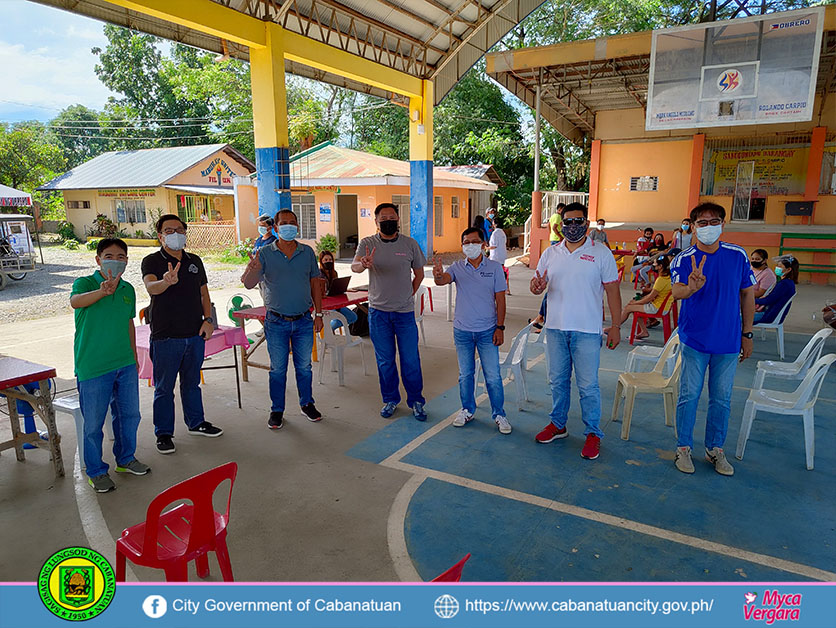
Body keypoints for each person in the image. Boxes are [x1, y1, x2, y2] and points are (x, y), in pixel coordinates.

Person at [531, 202, 622, 461]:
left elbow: (613, 291)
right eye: (567, 222)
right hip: (556, 329)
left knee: (588, 386)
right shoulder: (551, 253)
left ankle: (593, 433)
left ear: (587, 224)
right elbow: (536, 283)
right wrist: (536, 287)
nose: (572, 227)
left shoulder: (601, 253)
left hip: (587, 331)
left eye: (577, 221)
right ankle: (558, 424)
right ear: (561, 226)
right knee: (557, 381)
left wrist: (616, 326)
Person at [670, 202, 755, 477]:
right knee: (689, 395)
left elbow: (748, 295)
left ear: (723, 224)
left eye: (714, 221)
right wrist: (691, 287)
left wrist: (747, 333)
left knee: (722, 399)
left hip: (728, 343)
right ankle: (683, 447)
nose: (708, 227)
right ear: (692, 227)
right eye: (702, 223)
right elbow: (676, 292)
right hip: (695, 340)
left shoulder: (738, 256)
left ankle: (715, 449)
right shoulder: (683, 259)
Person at [71, 238, 150, 492]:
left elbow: (129, 323)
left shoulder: (127, 289)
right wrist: (102, 291)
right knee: (93, 424)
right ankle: (96, 470)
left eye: (120, 257)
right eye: (109, 256)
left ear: (126, 261)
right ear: (98, 259)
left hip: (124, 363)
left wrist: (134, 356)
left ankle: (126, 459)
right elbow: (76, 301)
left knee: (129, 415)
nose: (115, 261)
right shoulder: (85, 283)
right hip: (93, 367)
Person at [142, 214, 223, 455]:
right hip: (166, 336)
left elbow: (204, 294)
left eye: (179, 229)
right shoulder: (152, 261)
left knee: (191, 383)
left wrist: (208, 320)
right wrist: (166, 282)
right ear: (160, 235)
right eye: (169, 230)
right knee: (164, 388)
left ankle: (196, 423)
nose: (175, 233)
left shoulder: (195, 260)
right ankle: (164, 433)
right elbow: (151, 287)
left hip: (194, 334)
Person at [242, 209, 323, 429]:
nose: (289, 226)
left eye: (292, 223)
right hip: (276, 321)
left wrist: (319, 313)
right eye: (284, 223)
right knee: (278, 368)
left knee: (304, 367)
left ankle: (307, 404)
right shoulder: (265, 253)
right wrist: (252, 268)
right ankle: (277, 409)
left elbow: (316, 282)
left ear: (297, 227)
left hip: (304, 320)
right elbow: (248, 283)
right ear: (275, 228)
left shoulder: (307, 253)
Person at [352, 203, 427, 421]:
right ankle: (390, 399)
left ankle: (416, 401)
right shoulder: (367, 243)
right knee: (385, 360)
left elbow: (419, 274)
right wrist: (363, 264)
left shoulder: (410, 244)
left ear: (398, 219)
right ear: (376, 222)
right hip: (378, 314)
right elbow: (355, 266)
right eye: (383, 217)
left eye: (391, 217)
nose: (388, 220)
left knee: (410, 359)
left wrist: (408, 296)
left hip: (404, 314)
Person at [433, 228, 510, 434]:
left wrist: (500, 327)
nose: (470, 245)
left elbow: (500, 299)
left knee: (492, 375)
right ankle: (467, 409)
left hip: (487, 330)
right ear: (462, 246)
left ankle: (499, 414)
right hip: (462, 331)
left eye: (475, 241)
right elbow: (443, 280)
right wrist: (438, 276)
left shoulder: (494, 268)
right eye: (466, 242)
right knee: (465, 374)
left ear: (484, 244)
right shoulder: (457, 267)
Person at [618, 256, 672, 340]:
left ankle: (615, 328)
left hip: (657, 307)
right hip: (663, 306)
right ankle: (644, 331)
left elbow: (649, 298)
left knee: (628, 308)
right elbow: (654, 294)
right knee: (634, 304)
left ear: (660, 266)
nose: (653, 266)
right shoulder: (668, 277)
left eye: (655, 264)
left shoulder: (661, 279)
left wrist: (635, 303)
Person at [319, 250, 358, 330]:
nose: (328, 262)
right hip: (324, 304)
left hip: (334, 301)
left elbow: (334, 288)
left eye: (330, 260)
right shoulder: (318, 274)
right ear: (321, 261)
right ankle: (327, 331)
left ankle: (329, 328)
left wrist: (345, 289)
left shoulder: (334, 273)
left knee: (353, 317)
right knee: (337, 317)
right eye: (326, 260)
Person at [754, 257, 798, 325]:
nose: (777, 268)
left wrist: (751, 300)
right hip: (770, 314)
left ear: (788, 269)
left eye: (780, 266)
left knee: (737, 318)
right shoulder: (787, 283)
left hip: (769, 316)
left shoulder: (784, 284)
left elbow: (768, 300)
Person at [750, 248, 777, 315]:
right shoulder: (751, 268)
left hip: (754, 301)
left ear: (764, 260)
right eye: (752, 259)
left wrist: (743, 291)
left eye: (757, 259)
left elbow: (760, 293)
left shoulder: (768, 275)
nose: (754, 261)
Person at [487, 214, 509, 294]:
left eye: (493, 223)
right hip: (501, 255)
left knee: (496, 272)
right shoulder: (502, 233)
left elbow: (493, 246)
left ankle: (500, 287)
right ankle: (504, 287)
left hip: (496, 256)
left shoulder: (495, 233)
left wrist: (486, 248)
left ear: (495, 224)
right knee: (501, 271)